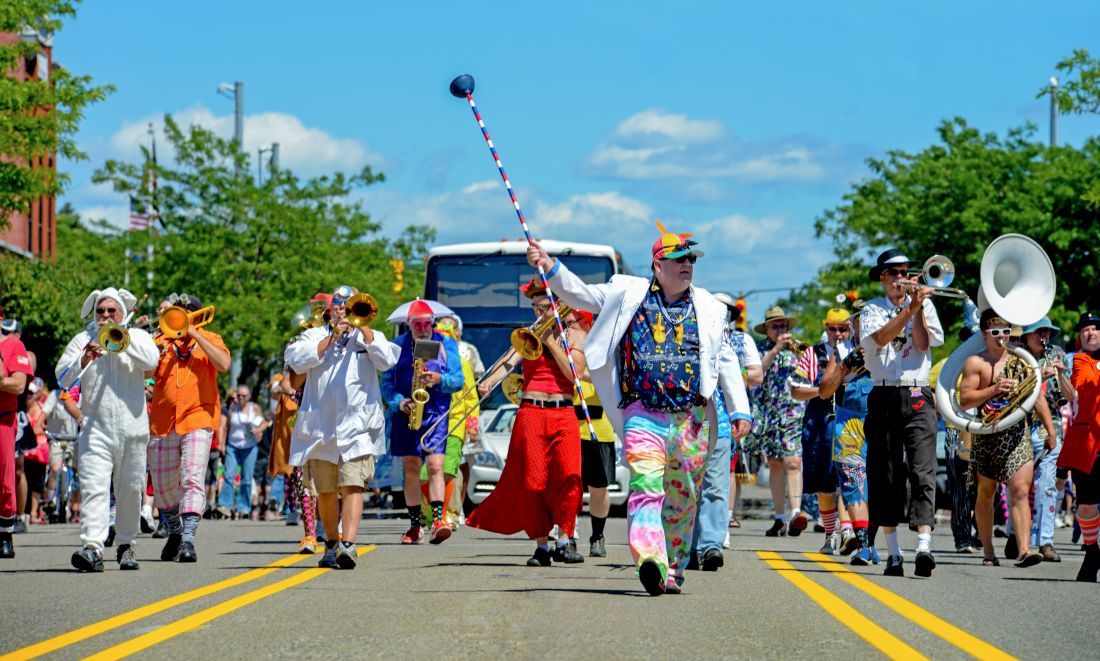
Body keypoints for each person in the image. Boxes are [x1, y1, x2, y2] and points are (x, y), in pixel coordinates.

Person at [530, 222, 752, 596]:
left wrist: (740, 409)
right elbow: (581, 294)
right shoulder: (627, 292)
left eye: (691, 260)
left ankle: (673, 568)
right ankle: (650, 559)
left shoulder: (710, 307)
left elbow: (725, 357)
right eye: (679, 259)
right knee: (646, 487)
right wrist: (550, 266)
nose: (687, 265)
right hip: (643, 413)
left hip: (692, 418)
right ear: (657, 266)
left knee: (683, 499)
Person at [469, 278, 588, 566]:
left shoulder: (575, 332)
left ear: (558, 304)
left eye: (543, 307)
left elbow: (575, 375)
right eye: (535, 307)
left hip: (563, 412)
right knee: (534, 482)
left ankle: (564, 541)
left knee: (570, 476)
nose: (538, 312)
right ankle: (542, 546)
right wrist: (489, 381)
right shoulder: (529, 332)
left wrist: (551, 342)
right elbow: (508, 362)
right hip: (531, 412)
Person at [286, 285, 400, 569]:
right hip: (321, 429)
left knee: (352, 486)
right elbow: (295, 360)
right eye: (338, 304)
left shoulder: (369, 336)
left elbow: (388, 360)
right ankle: (331, 543)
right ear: (331, 308)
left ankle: (348, 546)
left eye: (350, 304)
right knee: (325, 491)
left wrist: (363, 328)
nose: (343, 309)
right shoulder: (313, 335)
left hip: (359, 428)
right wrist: (332, 337)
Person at [57, 288, 159, 572]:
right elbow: (62, 378)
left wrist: (123, 339)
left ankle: (126, 544)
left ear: (122, 313)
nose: (105, 315)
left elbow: (151, 362)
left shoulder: (138, 336)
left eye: (111, 310)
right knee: (94, 489)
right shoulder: (83, 340)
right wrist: (84, 359)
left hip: (133, 430)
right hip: (95, 430)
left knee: (131, 491)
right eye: (100, 311)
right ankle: (93, 547)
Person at [860, 249, 943, 578]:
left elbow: (922, 345)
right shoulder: (871, 309)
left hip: (917, 390)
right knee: (886, 475)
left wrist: (918, 308)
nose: (901, 278)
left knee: (923, 469)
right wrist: (910, 308)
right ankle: (893, 553)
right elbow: (881, 338)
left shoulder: (924, 306)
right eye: (894, 273)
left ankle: (924, 545)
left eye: (905, 272)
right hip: (883, 392)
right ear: (882, 278)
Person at [960, 310, 1056, 568]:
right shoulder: (975, 363)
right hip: (987, 435)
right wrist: (993, 389)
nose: (1002, 336)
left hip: (1016, 433)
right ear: (984, 333)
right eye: (995, 332)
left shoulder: (1020, 360)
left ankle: (1024, 550)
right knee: (986, 492)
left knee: (1021, 491)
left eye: (1006, 331)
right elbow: (965, 400)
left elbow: (1036, 396)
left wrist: (1050, 430)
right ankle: (989, 551)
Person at [148, 293, 231, 564]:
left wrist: (193, 333)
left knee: (192, 477)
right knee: (162, 488)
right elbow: (145, 374)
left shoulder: (211, 338)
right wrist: (151, 354)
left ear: (195, 316)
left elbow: (224, 364)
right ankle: (175, 530)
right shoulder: (161, 341)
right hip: (162, 422)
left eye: (183, 314)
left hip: (198, 418)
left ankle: (188, 540)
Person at [381, 299, 463, 546]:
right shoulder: (397, 346)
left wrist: (439, 379)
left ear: (433, 323)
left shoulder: (446, 343)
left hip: (436, 413)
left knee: (436, 467)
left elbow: (458, 380)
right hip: (407, 413)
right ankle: (415, 526)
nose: (423, 329)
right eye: (417, 325)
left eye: (427, 324)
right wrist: (399, 402)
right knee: (411, 470)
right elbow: (386, 383)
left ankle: (437, 522)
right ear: (409, 324)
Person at [688, 293, 761, 571]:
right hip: (688, 422)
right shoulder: (687, 333)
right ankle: (691, 547)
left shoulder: (732, 341)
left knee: (716, 487)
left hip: (719, 421)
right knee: (689, 487)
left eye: (727, 312)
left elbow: (739, 377)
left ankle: (712, 546)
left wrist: (739, 413)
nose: (723, 315)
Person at [1004, 316, 1073, 562]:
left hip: (1049, 424)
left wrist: (1061, 374)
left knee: (1046, 485)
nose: (1043, 336)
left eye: (1046, 331)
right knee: (1018, 486)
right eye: (1038, 331)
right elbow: (1010, 393)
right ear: (1026, 335)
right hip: (1020, 425)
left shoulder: (1058, 353)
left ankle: (1045, 541)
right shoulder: (1014, 357)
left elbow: (1070, 396)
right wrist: (1037, 379)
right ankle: (1014, 535)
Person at [792, 308, 858, 555]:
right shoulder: (813, 354)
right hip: (821, 423)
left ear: (850, 329)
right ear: (826, 328)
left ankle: (847, 530)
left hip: (851, 421)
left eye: (843, 329)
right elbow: (796, 390)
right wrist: (823, 390)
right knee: (825, 483)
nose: (838, 333)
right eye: (833, 328)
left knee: (847, 477)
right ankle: (830, 534)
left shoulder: (858, 352)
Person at [819, 300, 879, 564]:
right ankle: (863, 546)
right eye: (860, 318)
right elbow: (824, 391)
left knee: (879, 484)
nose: (866, 323)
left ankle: (875, 544)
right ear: (853, 323)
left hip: (881, 420)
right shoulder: (841, 349)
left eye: (871, 318)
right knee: (853, 482)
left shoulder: (892, 347)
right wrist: (845, 366)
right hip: (850, 423)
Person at [743, 306, 807, 537]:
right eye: (775, 326)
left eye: (783, 325)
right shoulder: (757, 349)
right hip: (767, 413)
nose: (780, 330)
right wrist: (776, 349)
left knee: (793, 462)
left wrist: (799, 356)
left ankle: (796, 513)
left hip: (792, 412)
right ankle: (780, 518)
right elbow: (756, 374)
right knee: (776, 465)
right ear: (767, 329)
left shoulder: (797, 347)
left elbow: (808, 375)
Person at [1059, 312, 1100, 581]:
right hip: (1090, 444)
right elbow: (1086, 386)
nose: (1091, 332)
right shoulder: (1080, 360)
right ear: (1079, 336)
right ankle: (1092, 551)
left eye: (1096, 328)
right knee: (1086, 506)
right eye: (1085, 329)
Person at [0, 307, 32, 558]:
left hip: (3, 418)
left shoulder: (13, 346)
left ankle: (5, 534)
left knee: (5, 480)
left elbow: (18, 385)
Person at [216, 384, 269, 520]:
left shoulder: (254, 408)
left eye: (243, 396)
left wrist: (258, 431)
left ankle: (244, 507)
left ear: (249, 397)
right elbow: (226, 427)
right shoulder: (232, 408)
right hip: (233, 446)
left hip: (249, 447)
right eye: (238, 395)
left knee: (246, 478)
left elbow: (264, 423)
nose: (240, 398)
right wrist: (223, 444)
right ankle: (226, 506)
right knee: (229, 475)